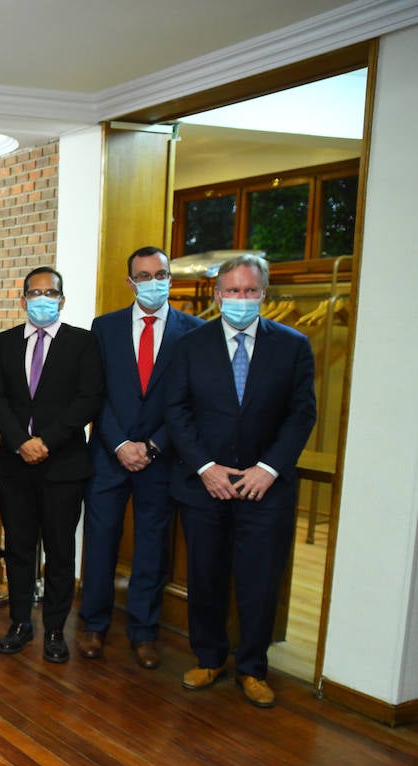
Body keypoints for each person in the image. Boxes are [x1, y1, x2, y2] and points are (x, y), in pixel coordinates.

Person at [164, 254, 316, 708]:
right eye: (233, 291)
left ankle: (252, 667)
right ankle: (209, 658)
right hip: (204, 484)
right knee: (206, 576)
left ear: (264, 294)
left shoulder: (293, 345)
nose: (241, 299)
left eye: (250, 291)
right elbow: (177, 411)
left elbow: (302, 414)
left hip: (264, 487)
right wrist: (205, 467)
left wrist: (267, 469)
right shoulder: (191, 344)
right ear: (217, 295)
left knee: (259, 581)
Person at [79, 247, 204, 669]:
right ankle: (94, 626)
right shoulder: (105, 327)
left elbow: (190, 402)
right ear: (130, 282)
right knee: (100, 544)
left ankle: (144, 632)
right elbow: (95, 393)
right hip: (109, 455)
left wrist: (153, 446)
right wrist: (119, 444)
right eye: (144, 275)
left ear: (171, 277)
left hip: (162, 459)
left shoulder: (194, 331)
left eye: (161, 273)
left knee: (153, 547)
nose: (154, 281)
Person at [0, 267, 104, 663]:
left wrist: (45, 441)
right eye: (34, 293)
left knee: (58, 551)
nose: (42, 299)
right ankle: (20, 623)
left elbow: (87, 399)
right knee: (19, 548)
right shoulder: (4, 343)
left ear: (62, 299)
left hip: (63, 464)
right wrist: (21, 442)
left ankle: (55, 628)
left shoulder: (83, 343)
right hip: (15, 464)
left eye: (50, 292)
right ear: (23, 300)